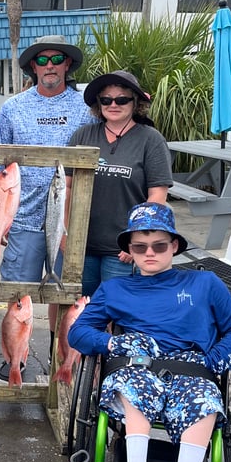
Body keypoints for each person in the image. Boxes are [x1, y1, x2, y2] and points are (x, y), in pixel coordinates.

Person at [68, 202, 231, 462]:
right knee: (134, 387)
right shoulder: (114, 288)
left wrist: (214, 361)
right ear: (129, 250)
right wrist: (112, 341)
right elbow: (79, 333)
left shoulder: (205, 283)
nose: (150, 253)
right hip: (138, 363)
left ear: (175, 246)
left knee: (204, 398)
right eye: (140, 247)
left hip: (194, 366)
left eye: (159, 245)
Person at [0, 35, 95, 380]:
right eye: (41, 60)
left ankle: (59, 354)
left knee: (63, 294)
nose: (49, 65)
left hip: (69, 217)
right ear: (32, 67)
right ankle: (14, 358)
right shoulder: (13, 107)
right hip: (21, 215)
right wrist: (0, 217)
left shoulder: (87, 106)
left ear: (68, 64)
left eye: (56, 59)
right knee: (17, 291)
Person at [67, 70, 173, 297]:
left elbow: (157, 196)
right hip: (81, 246)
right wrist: (65, 234)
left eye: (121, 99)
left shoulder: (151, 139)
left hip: (121, 250)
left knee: (117, 311)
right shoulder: (82, 136)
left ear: (135, 102)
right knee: (80, 309)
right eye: (106, 100)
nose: (113, 104)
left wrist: (135, 241)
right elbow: (65, 187)